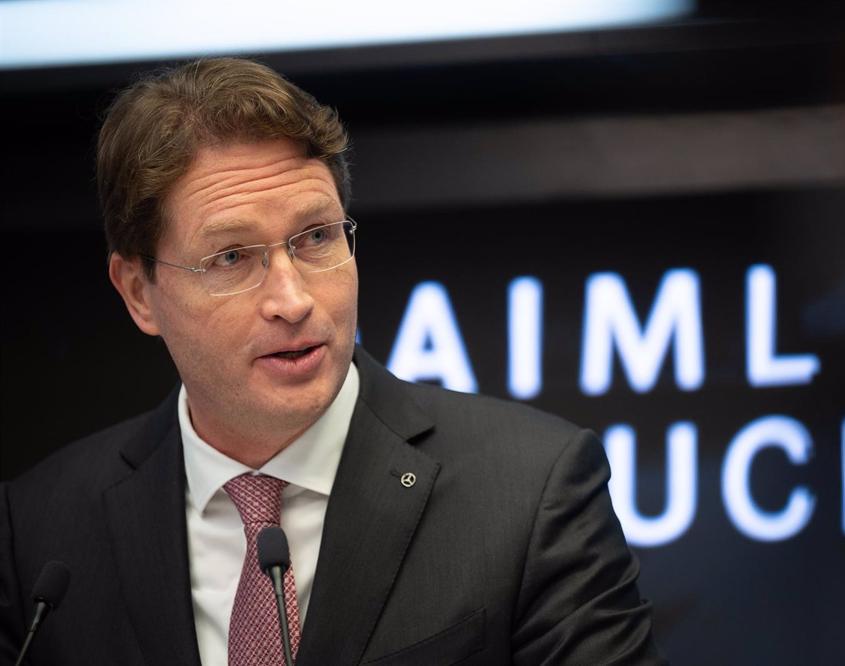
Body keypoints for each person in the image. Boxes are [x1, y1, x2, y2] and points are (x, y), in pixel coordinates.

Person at [0, 57, 664, 665]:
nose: (292, 300)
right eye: (231, 257)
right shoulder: (38, 534)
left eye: (316, 237)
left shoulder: (531, 492)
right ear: (139, 293)